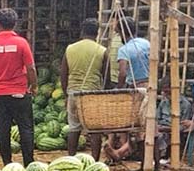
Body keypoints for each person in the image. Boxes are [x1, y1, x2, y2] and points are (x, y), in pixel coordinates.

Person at [0, 8, 36, 166]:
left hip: (0, 93)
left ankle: (7, 163)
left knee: (3, 128)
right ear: (15, 24)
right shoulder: (21, 43)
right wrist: (33, 85)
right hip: (20, 92)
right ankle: (28, 163)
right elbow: (31, 68)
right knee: (25, 127)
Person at [59, 18, 108, 157]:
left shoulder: (70, 49)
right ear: (97, 33)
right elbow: (107, 78)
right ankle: (95, 161)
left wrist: (66, 94)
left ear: (82, 32)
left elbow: (63, 74)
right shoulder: (102, 51)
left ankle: (71, 158)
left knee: (74, 128)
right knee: (95, 129)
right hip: (93, 94)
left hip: (74, 93)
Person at [154, 78, 192, 166]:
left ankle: (163, 158)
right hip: (161, 127)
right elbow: (157, 118)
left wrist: (169, 128)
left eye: (167, 91)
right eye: (164, 91)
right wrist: (157, 126)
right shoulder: (164, 102)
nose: (165, 94)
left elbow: (184, 126)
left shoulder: (185, 104)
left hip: (172, 130)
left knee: (161, 136)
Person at [116, 21, 150, 88]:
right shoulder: (146, 43)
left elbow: (123, 73)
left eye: (118, 33)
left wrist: (119, 88)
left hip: (135, 86)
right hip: (149, 84)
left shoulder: (124, 50)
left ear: (122, 33)